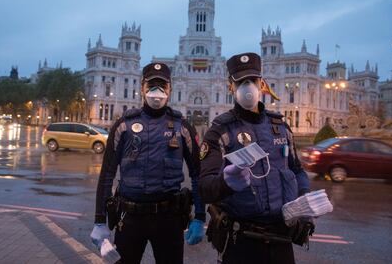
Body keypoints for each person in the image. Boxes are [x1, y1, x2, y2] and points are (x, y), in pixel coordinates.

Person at [199, 52, 313, 264]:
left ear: (262, 84)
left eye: (252, 80)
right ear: (230, 87)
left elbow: (297, 170)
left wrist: (305, 201)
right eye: (240, 81)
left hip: (281, 238)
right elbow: (205, 187)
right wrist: (225, 183)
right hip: (240, 239)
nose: (247, 86)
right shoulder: (220, 131)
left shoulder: (280, 128)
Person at [91, 62, 206, 264]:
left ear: (170, 89)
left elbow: (197, 174)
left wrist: (199, 215)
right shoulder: (123, 126)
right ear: (142, 88)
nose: (157, 91)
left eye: (162, 85)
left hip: (169, 218)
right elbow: (107, 174)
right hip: (130, 217)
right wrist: (100, 220)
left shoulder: (182, 127)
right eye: (152, 85)